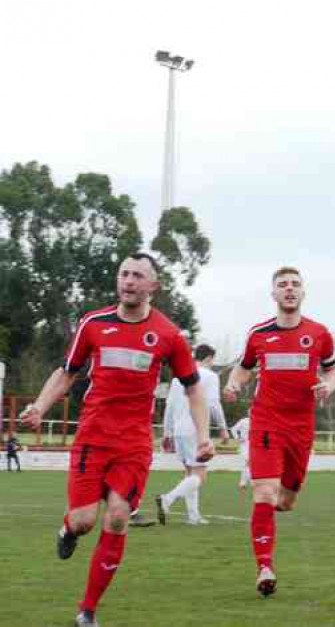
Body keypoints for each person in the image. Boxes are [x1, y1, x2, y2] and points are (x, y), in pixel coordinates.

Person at [18, 253, 213, 627]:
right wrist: (40, 406)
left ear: (152, 286)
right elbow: (67, 373)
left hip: (134, 444)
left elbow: (193, 389)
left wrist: (204, 436)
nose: (128, 280)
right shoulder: (93, 323)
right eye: (124, 273)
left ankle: (87, 610)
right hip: (93, 436)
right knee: (84, 521)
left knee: (119, 517)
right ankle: (68, 527)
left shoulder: (169, 335)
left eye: (138, 275)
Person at [224, 266, 335, 597]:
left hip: (301, 428)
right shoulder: (259, 334)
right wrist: (233, 384)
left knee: (285, 501)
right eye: (282, 285)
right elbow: (243, 369)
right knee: (264, 493)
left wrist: (328, 386)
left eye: (295, 285)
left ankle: (266, 516)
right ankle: (264, 567)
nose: (289, 289)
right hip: (266, 422)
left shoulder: (319, 333)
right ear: (273, 294)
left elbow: (333, 370)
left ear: (303, 293)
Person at [156, 344, 229, 525]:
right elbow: (213, 405)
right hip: (196, 430)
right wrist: (223, 427)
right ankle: (168, 499)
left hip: (179, 430)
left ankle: (193, 516)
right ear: (208, 358)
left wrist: (167, 432)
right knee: (200, 475)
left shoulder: (177, 379)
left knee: (190, 473)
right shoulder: (211, 376)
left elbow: (170, 407)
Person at [230, 416, 251, 489]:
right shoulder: (243, 421)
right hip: (245, 444)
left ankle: (243, 483)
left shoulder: (259, 421)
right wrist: (237, 438)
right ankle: (247, 482)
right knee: (248, 462)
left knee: (249, 464)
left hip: (255, 444)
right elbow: (233, 429)